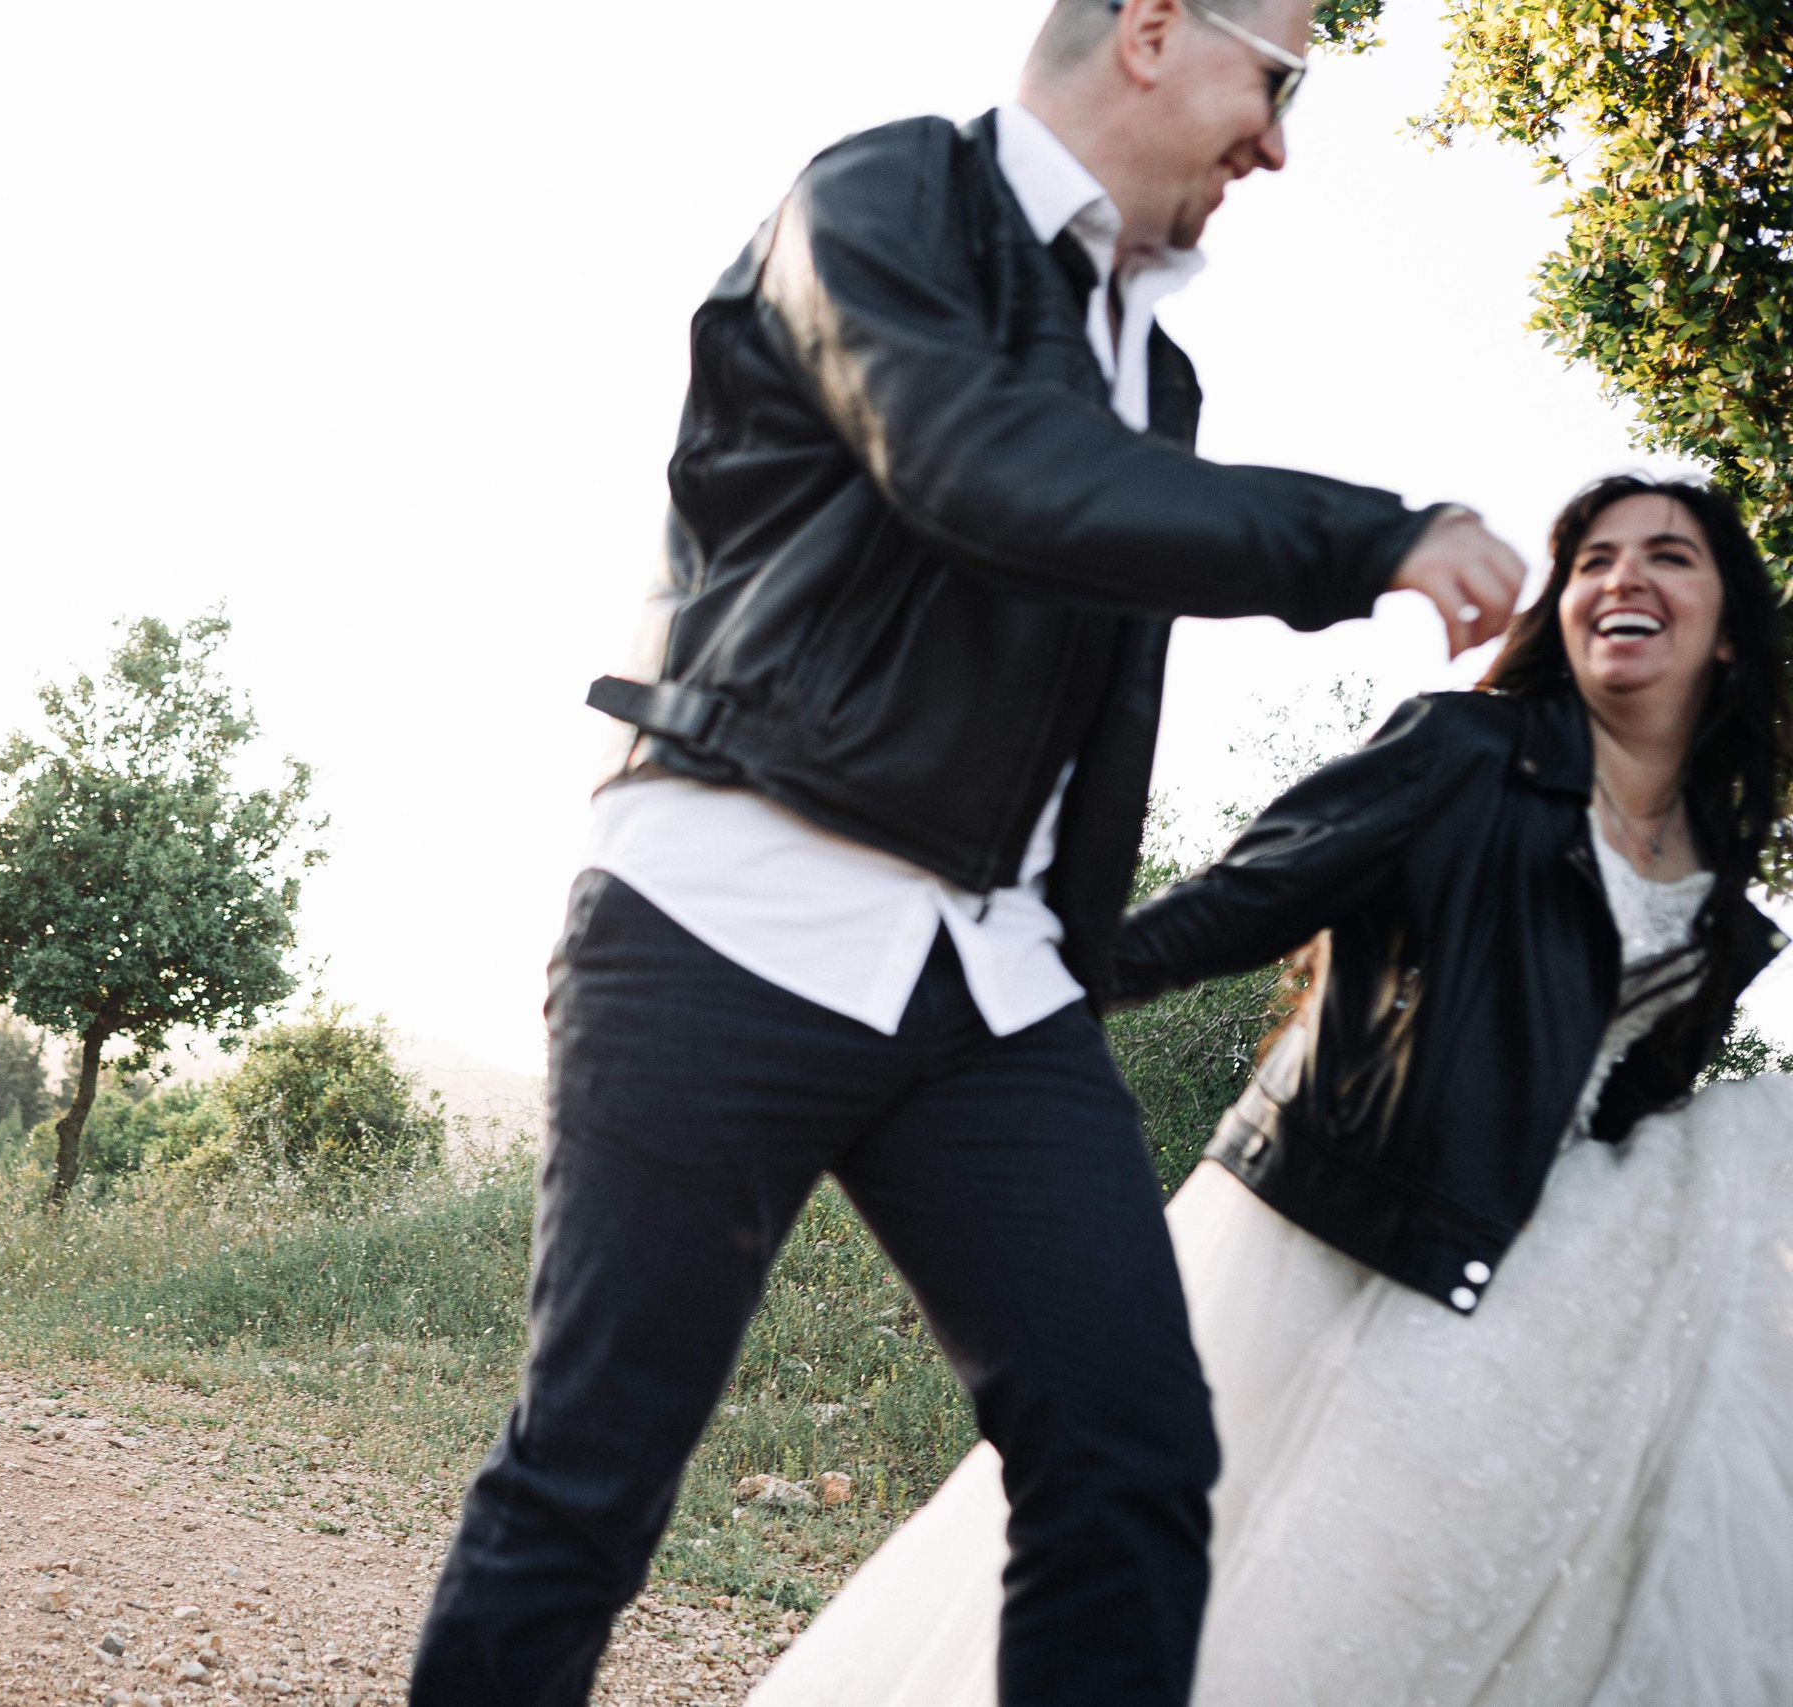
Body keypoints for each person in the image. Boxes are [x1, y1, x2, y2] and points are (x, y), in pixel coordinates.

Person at [404, 1, 1530, 1703]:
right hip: (729, 911)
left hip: (987, 985)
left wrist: (1077, 959)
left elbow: (1099, 709)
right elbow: (985, 469)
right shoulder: (875, 205)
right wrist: (1366, 535)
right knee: (592, 1474)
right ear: (1151, 27)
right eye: (1279, 83)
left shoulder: (1159, 371)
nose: (1280, 145)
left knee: (1131, 1456)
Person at [751, 473, 1793, 1706]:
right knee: (1206, 1579)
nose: (1621, 578)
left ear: (1725, 628)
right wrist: (1015, 983)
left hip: (1530, 1260)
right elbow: (1247, 898)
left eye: (1667, 557)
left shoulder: (1721, 900)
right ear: (1562, 610)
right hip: (1332, 1219)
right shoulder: (1462, 753)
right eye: (1592, 560)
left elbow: (1628, 1108)